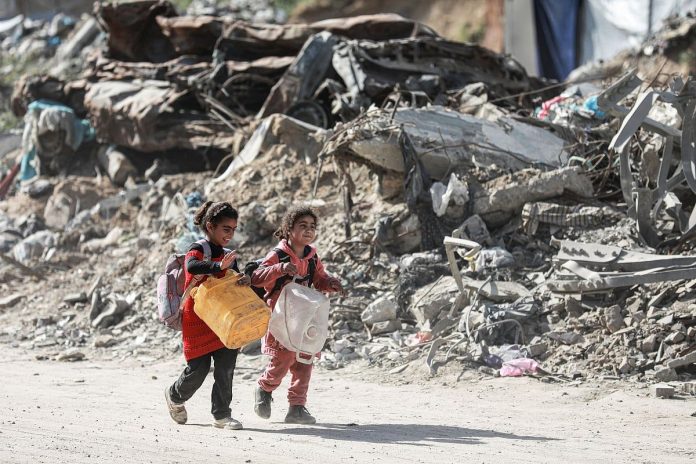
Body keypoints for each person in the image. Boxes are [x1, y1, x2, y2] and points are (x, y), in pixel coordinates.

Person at [251, 206, 343, 424]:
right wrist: (280, 269)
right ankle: (264, 388)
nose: (308, 230)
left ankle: (297, 407)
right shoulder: (278, 255)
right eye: (303, 225)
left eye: (312, 226)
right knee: (283, 358)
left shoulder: (312, 257)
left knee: (305, 360)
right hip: (281, 317)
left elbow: (319, 279)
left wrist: (330, 283)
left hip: (305, 316)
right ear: (289, 229)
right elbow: (257, 278)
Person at [164, 201, 250, 430]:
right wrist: (218, 267)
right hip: (198, 320)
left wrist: (244, 279)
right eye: (225, 229)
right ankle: (174, 396)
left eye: (233, 229)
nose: (230, 234)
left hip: (223, 320)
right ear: (210, 226)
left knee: (226, 369)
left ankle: (221, 415)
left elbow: (233, 280)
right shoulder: (199, 248)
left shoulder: (228, 255)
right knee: (198, 370)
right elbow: (192, 266)